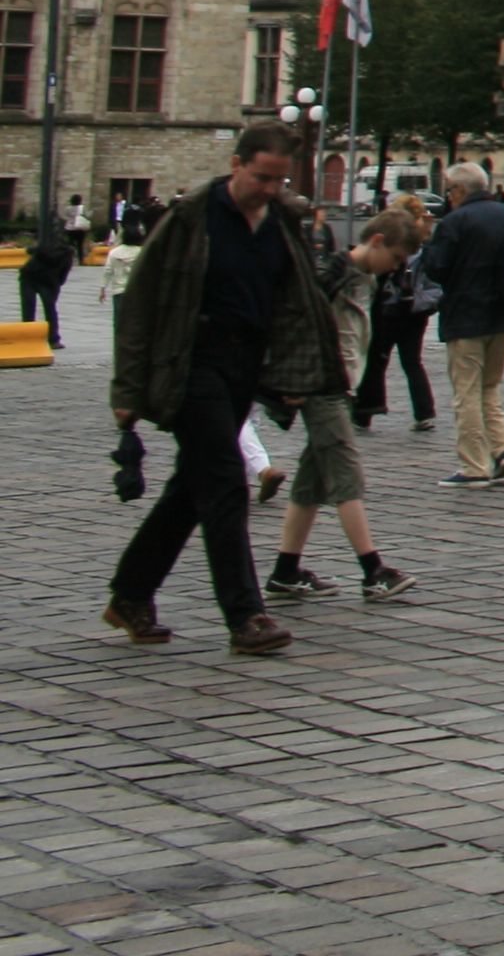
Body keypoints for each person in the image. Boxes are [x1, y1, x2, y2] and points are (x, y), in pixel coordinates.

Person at [106, 124, 343, 655]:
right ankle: (245, 615)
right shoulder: (193, 217)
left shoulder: (282, 220)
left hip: (245, 364)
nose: (268, 188)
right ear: (236, 165)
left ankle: (130, 595)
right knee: (225, 483)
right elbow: (142, 301)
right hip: (191, 361)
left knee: (191, 488)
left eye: (279, 180)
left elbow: (296, 296)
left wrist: (293, 373)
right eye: (261, 177)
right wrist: (127, 388)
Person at [263, 210, 422, 605]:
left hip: (337, 386)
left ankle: (286, 570)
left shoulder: (364, 279)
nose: (397, 268)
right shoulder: (334, 274)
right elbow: (297, 324)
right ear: (379, 242)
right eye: (397, 259)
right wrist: (294, 377)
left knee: (311, 483)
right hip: (324, 386)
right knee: (346, 476)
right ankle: (373, 571)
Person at [416, 162, 504, 490]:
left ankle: (474, 465)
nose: (449, 196)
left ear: (460, 190)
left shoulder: (456, 221)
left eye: (450, 190)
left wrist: (425, 246)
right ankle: (502, 447)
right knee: (490, 386)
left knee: (466, 392)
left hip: (466, 316)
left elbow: (437, 268)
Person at [348, 198, 437, 431]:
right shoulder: (424, 247)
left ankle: (364, 412)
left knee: (377, 359)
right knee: (412, 361)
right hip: (415, 311)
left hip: (390, 310)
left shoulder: (401, 245)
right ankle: (424, 412)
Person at [20, 203, 74, 346]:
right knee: (50, 308)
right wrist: (57, 283)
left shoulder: (42, 245)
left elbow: (29, 251)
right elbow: (64, 272)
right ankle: (53, 338)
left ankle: (28, 337)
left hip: (30, 275)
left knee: (28, 306)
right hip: (49, 280)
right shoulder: (67, 252)